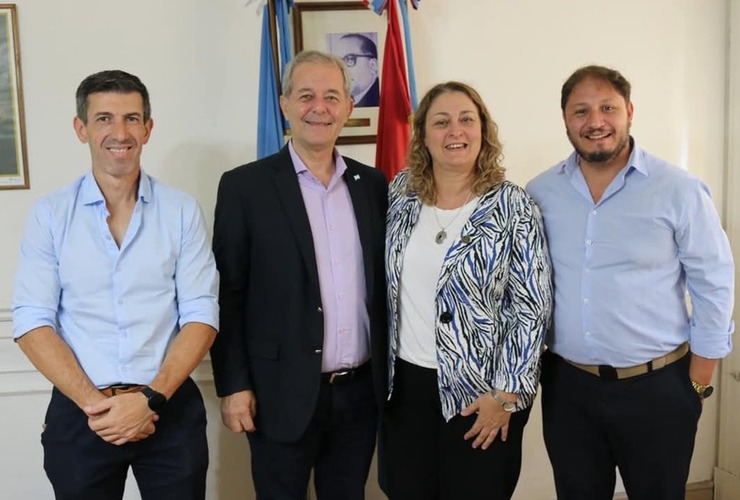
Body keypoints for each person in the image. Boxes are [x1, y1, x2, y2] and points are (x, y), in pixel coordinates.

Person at [526, 65, 735, 500]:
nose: (595, 121)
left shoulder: (677, 189)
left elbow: (713, 282)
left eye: (607, 108)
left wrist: (698, 380)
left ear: (629, 112)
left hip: (658, 389)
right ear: (565, 119)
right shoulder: (539, 192)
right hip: (569, 390)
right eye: (580, 111)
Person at [11, 70, 219, 500]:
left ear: (148, 127)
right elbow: (32, 322)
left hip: (168, 411)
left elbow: (201, 314)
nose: (119, 132)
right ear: (80, 128)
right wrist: (98, 406)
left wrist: (149, 400)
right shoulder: (50, 216)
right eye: (104, 118)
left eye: (131, 118)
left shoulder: (181, 211)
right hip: (82, 413)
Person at [210, 50, 388, 500]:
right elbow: (228, 294)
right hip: (277, 394)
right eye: (306, 95)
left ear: (349, 107)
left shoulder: (374, 186)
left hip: (359, 395)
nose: (319, 107)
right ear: (286, 104)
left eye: (332, 96)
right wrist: (234, 386)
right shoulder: (244, 187)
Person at [382, 81, 552, 499]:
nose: (454, 131)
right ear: (422, 135)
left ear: (483, 131)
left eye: (466, 120)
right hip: (404, 391)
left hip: (482, 392)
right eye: (441, 122)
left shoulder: (513, 205)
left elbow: (532, 307)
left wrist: (507, 395)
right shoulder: (400, 195)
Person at [334, 33, 379, 108]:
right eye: (338, 62)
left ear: (373, 65)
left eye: (349, 59)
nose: (341, 68)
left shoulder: (382, 100)